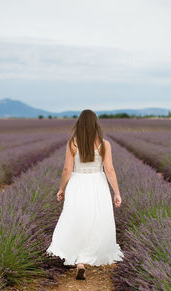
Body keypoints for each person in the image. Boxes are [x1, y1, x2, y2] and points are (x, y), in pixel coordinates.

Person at [46, 109, 124, 280]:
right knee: (95, 220)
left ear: (79, 124)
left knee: (76, 218)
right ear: (96, 124)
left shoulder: (73, 143)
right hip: (98, 183)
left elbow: (67, 169)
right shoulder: (104, 144)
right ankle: (88, 255)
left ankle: (80, 260)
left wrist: (62, 188)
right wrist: (116, 192)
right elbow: (109, 170)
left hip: (78, 183)